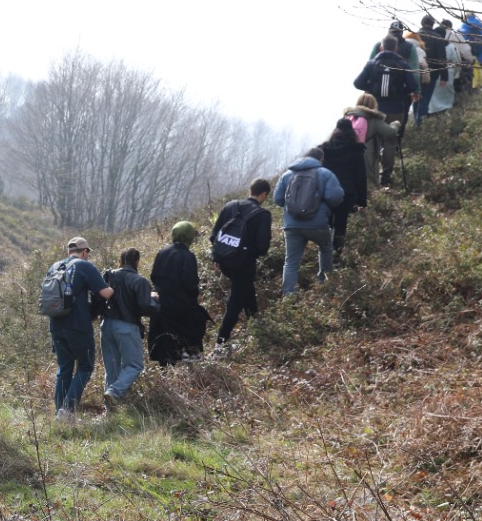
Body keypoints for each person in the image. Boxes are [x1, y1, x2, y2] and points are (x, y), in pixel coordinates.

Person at [47, 237, 112, 422]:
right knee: (85, 366)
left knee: (64, 367)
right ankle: (67, 410)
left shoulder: (54, 267)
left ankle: (60, 413)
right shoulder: (85, 266)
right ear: (84, 252)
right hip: (78, 326)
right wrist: (115, 288)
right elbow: (105, 293)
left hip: (56, 326)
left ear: (69, 251)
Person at [272, 146, 345, 296]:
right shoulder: (325, 174)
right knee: (325, 247)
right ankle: (324, 285)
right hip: (317, 223)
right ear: (321, 159)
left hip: (292, 225)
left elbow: (277, 199)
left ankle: (288, 294)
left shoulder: (287, 175)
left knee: (291, 261)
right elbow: (335, 197)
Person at [211, 179, 273, 346]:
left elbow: (214, 234)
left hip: (224, 262)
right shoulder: (262, 215)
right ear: (264, 194)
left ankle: (256, 324)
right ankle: (220, 342)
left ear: (250, 190)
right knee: (236, 300)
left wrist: (217, 256)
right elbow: (262, 247)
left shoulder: (230, 205)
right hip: (244, 264)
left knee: (246, 289)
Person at [355, 34, 416, 187]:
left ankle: (372, 175)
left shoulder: (372, 64)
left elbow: (357, 83)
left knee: (375, 141)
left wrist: (370, 88)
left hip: (375, 110)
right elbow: (413, 87)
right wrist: (402, 92)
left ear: (381, 48)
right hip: (396, 109)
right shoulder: (403, 65)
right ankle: (385, 176)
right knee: (390, 142)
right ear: (396, 48)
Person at [100, 247, 156, 409]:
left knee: (112, 369)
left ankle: (110, 411)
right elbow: (146, 307)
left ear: (121, 260)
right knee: (134, 365)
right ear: (136, 261)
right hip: (127, 326)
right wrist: (156, 300)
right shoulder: (140, 281)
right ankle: (115, 392)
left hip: (106, 325)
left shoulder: (109, 275)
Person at [148, 222, 210, 365]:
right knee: (196, 322)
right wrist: (194, 296)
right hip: (181, 304)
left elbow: (153, 276)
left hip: (161, 303)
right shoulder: (187, 256)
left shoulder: (162, 252)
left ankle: (166, 366)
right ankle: (191, 355)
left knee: (165, 337)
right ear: (188, 236)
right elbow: (190, 284)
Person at [318, 117, 369, 259]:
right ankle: (336, 256)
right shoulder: (356, 150)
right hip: (346, 194)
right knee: (341, 224)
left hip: (326, 192)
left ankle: (323, 255)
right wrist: (362, 201)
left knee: (326, 224)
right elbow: (360, 177)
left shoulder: (324, 149)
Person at [344, 94, 397, 188]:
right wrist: (395, 124)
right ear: (374, 105)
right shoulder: (374, 119)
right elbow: (390, 132)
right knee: (370, 180)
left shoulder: (348, 117)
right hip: (367, 154)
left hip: (347, 152)